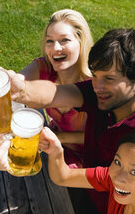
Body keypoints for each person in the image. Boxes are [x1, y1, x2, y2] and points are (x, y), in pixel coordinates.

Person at [7, 28, 135, 214]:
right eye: (95, 75)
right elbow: (56, 93)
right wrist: (22, 90)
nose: (97, 87)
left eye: (109, 79)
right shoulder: (101, 95)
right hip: (88, 194)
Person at [20, 9, 94, 168]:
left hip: (91, 156)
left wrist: (58, 137)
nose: (55, 48)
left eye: (64, 40)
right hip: (55, 145)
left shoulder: (96, 84)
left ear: (81, 42)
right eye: (49, 41)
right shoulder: (44, 67)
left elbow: (103, 135)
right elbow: (18, 79)